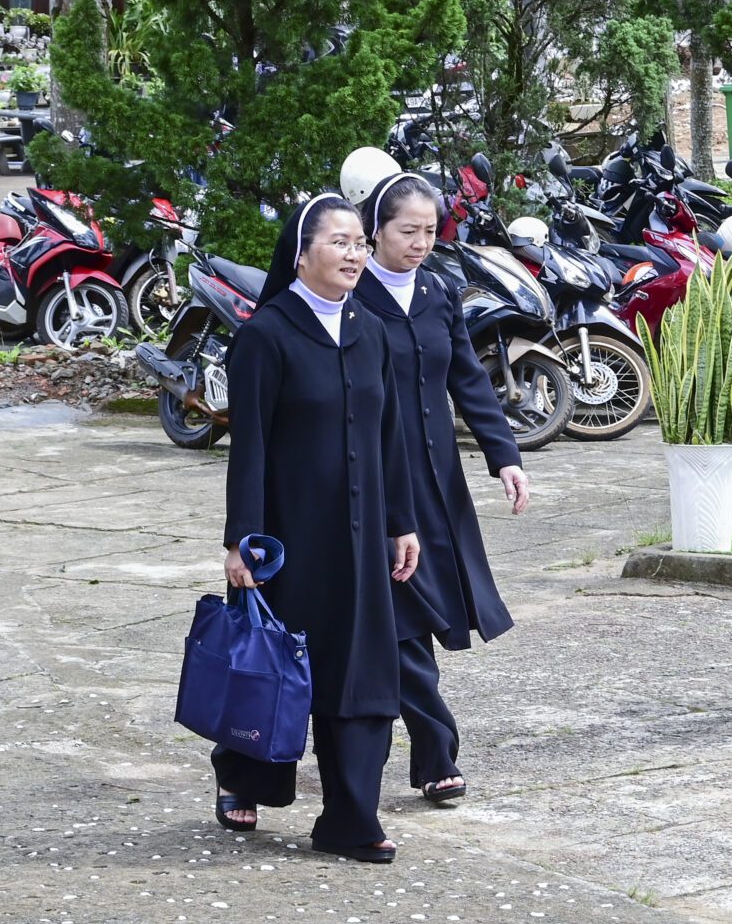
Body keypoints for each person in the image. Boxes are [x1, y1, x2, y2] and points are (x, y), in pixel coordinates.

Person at [214, 194, 421, 863]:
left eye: (361, 242)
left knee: (360, 677)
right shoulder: (266, 335)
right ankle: (244, 776)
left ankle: (350, 820)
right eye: (340, 242)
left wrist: (401, 523)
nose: (355, 253)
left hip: (360, 542)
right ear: (302, 254)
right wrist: (241, 537)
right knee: (272, 669)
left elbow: (390, 438)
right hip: (287, 542)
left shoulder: (370, 330)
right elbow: (250, 447)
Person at [355, 171, 531, 807]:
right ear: (375, 229)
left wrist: (503, 456)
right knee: (402, 618)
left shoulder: (437, 291)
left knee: (422, 610)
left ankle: (417, 751)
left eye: (431, 231)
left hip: (434, 481)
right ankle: (436, 754)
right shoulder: (351, 295)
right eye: (408, 231)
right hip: (371, 485)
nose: (421, 243)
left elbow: (468, 379)